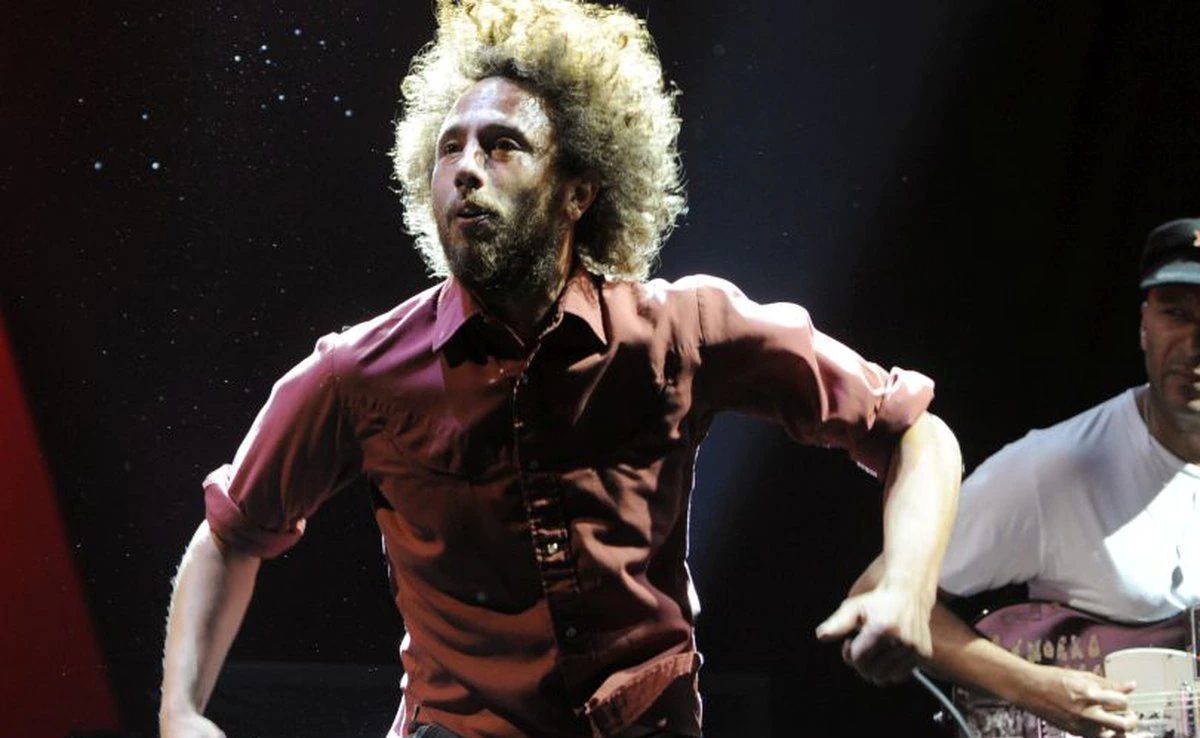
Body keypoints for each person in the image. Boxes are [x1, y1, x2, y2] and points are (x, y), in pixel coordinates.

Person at [158, 2, 962, 737]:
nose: (466, 167)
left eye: (502, 145)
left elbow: (913, 432)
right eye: (449, 147)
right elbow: (230, 534)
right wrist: (181, 713)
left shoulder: (680, 330)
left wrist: (908, 587)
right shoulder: (360, 371)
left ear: (578, 192)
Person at [845, 218, 1200, 738]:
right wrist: (1033, 688)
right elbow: (874, 596)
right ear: (1144, 323)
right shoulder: (1055, 467)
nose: (1194, 343)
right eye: (1176, 314)